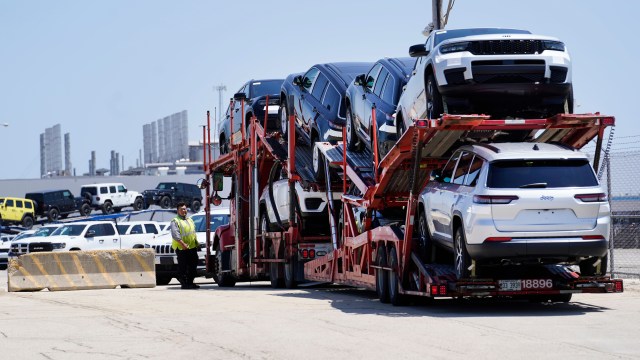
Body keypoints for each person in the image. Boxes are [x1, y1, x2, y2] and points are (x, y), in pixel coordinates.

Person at [170, 202, 200, 289]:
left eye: (185, 209)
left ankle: (190, 282)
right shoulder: (175, 221)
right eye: (182, 209)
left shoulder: (189, 220)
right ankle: (184, 283)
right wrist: (182, 244)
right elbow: (175, 235)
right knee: (183, 266)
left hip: (191, 247)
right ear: (178, 210)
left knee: (193, 265)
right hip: (182, 248)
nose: (184, 211)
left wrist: (196, 243)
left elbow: (192, 233)